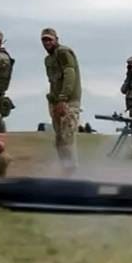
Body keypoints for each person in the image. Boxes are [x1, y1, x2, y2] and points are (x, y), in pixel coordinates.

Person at [41, 27, 82, 174]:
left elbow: (70, 75)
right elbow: (53, 82)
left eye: (49, 39)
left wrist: (63, 98)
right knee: (59, 139)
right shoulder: (48, 59)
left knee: (67, 137)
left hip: (68, 101)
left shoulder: (63, 53)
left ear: (56, 39)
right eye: (44, 40)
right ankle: (67, 169)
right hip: (56, 101)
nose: (46, 43)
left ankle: (72, 170)